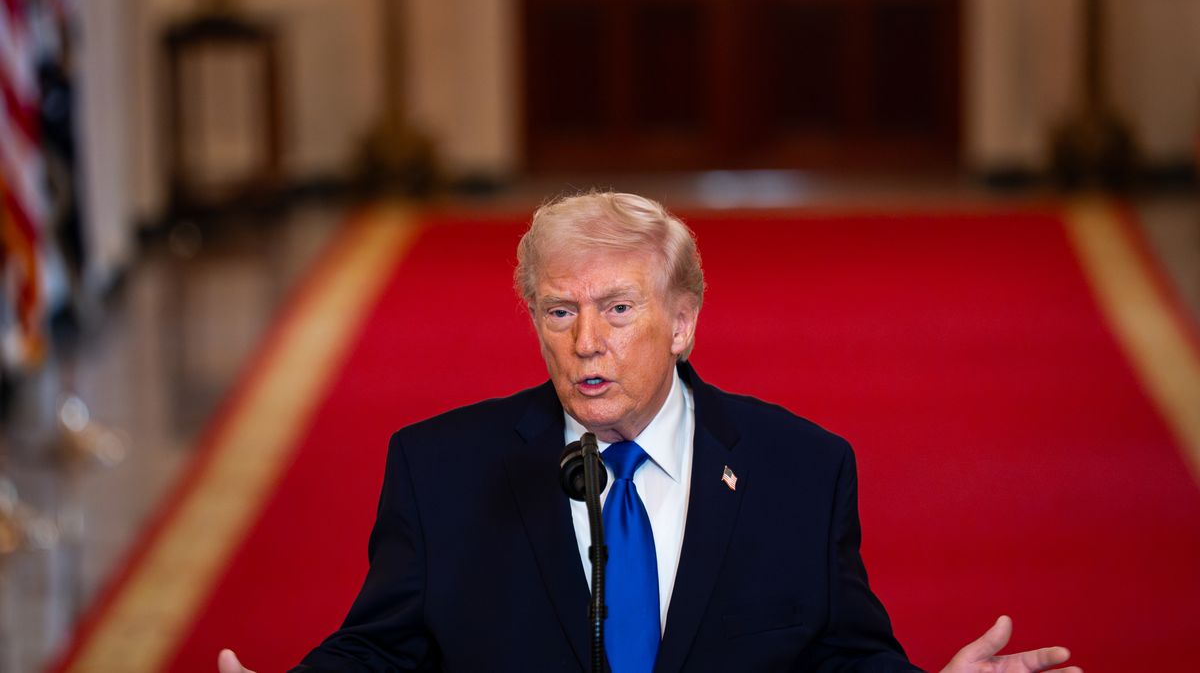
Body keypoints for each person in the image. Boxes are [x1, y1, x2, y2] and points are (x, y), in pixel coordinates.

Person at [219, 192, 1079, 673]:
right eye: (559, 310)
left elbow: (843, 660)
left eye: (618, 309)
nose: (586, 341)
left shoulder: (799, 471)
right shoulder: (441, 470)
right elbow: (382, 649)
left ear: (681, 322)